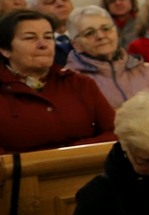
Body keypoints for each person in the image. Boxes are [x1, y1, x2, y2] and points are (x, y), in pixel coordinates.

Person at [0, 9, 117, 153]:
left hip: (86, 168)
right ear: (5, 49)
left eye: (48, 37)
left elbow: (114, 132)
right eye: (30, 38)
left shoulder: (80, 83)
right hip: (21, 173)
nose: (43, 44)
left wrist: (72, 153)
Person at [64, 6, 149, 108]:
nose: (101, 36)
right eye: (89, 33)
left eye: (106, 28)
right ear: (76, 45)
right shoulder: (70, 81)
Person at [27, 0, 76, 65]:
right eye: (50, 2)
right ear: (34, 10)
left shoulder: (88, 34)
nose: (60, 4)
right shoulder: (32, 43)